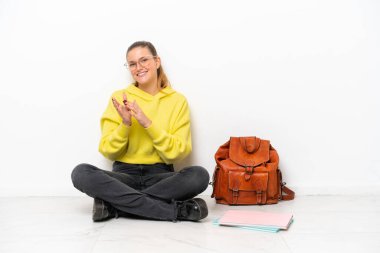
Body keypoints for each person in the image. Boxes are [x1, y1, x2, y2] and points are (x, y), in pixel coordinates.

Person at [71, 41, 210, 222]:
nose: (139, 67)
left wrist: (146, 123)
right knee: (80, 173)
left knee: (199, 175)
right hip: (124, 176)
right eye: (132, 64)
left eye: (144, 60)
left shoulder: (177, 101)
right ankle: (177, 211)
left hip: (161, 176)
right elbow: (107, 150)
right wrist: (126, 124)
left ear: (157, 62)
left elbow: (178, 153)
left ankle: (114, 206)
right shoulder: (119, 98)